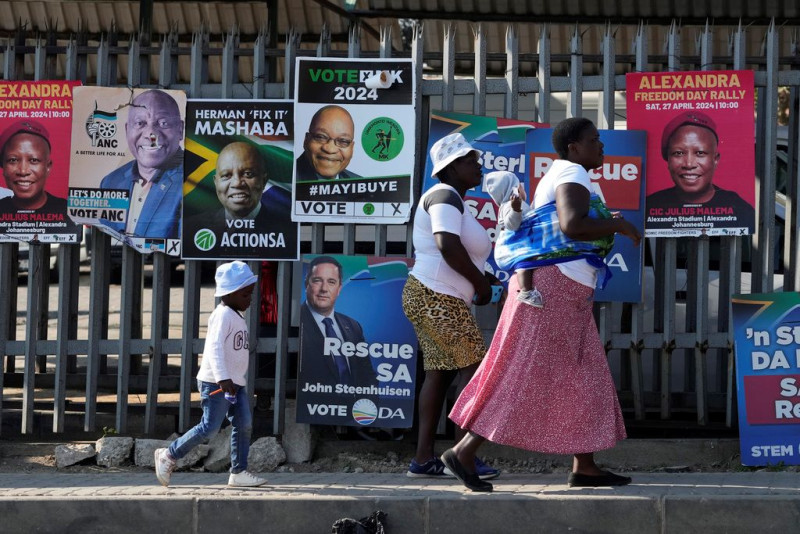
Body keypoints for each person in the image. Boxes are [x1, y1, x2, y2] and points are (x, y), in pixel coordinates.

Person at [442, 118, 642, 492]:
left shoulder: (569, 173)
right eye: (594, 141)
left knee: (585, 373)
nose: (602, 147)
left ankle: (585, 466)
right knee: (526, 371)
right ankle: (465, 451)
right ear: (573, 147)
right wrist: (619, 226)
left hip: (560, 287)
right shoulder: (572, 173)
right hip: (555, 288)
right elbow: (571, 225)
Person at [401, 132, 500, 481]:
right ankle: (462, 457)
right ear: (452, 167)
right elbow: (446, 244)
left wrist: (485, 277)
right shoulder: (444, 195)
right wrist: (480, 282)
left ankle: (424, 460)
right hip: (435, 297)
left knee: (440, 375)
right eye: (470, 159)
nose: (478, 164)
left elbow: (456, 248)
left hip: (433, 295)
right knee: (474, 370)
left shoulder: (453, 199)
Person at [155, 261, 267, 488]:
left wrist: (233, 380)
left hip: (235, 383)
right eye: (246, 294)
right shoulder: (223, 315)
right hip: (217, 382)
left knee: (244, 424)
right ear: (230, 294)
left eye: (250, 294)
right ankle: (169, 455)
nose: (250, 299)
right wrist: (223, 378)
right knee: (210, 427)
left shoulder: (235, 314)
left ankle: (238, 472)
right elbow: (214, 348)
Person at [99, 89, 184, 239]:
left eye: (163, 123)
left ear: (180, 129)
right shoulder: (110, 182)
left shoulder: (194, 180)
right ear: (127, 130)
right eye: (140, 123)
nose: (151, 133)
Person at [647, 110, 754, 221]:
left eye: (700, 153)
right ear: (668, 160)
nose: (689, 164)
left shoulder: (739, 208)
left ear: (715, 159)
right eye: (678, 153)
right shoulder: (650, 206)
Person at [299, 255, 375, 387]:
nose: (324, 289)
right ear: (307, 284)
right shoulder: (299, 321)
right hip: (315, 405)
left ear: (339, 289)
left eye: (331, 282)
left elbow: (367, 375)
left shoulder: (353, 326)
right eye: (317, 280)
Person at [184, 141, 291, 235]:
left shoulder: (288, 232)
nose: (237, 183)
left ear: (264, 181)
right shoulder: (190, 229)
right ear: (216, 182)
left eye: (248, 174)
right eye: (226, 175)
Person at [0, 119, 78, 232]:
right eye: (13, 160)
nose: (23, 171)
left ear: (48, 167)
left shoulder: (66, 211)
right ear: (3, 166)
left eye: (34, 160)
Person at [484, 170, 543, 307]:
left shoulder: (506, 206)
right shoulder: (512, 206)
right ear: (513, 191)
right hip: (514, 248)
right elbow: (513, 225)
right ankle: (526, 291)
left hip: (512, 247)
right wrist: (516, 210)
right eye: (520, 187)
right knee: (524, 263)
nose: (523, 189)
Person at [296, 105, 361, 181]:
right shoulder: (285, 181)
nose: (330, 149)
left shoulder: (359, 183)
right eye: (321, 137)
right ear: (306, 140)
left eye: (343, 141)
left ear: (352, 148)